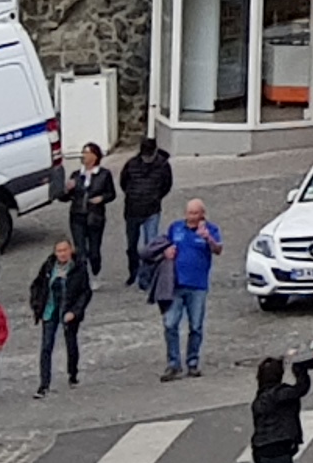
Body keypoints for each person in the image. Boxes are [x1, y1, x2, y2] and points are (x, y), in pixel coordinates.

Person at [159, 199, 221, 378]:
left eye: (195, 213)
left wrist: (208, 238)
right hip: (176, 284)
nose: (191, 217)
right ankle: (173, 363)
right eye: (189, 213)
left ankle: (192, 362)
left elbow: (218, 249)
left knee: (196, 326)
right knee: (170, 323)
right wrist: (166, 252)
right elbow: (165, 245)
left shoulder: (211, 229)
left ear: (202, 214)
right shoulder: (176, 228)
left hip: (198, 285)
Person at [26, 237, 89, 394]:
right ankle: (44, 384)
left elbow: (85, 292)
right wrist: (36, 305)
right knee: (46, 346)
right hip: (50, 309)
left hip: (68, 310)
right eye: (59, 251)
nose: (62, 254)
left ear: (71, 250)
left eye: (65, 250)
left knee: (71, 344)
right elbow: (37, 285)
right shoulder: (48, 266)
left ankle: (73, 374)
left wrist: (75, 311)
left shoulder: (79, 267)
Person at [117, 129, 174, 295]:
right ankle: (133, 272)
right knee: (132, 246)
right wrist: (132, 195)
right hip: (132, 210)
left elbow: (167, 185)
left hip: (152, 210)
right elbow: (123, 182)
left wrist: (155, 197)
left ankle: (146, 278)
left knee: (151, 246)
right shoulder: (131, 164)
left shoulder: (163, 165)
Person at [248, 351, 311, 463]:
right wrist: (300, 371)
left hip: (260, 450)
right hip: (278, 450)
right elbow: (301, 388)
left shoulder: (259, 399)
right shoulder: (279, 394)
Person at [61, 143, 111, 271]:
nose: (83, 155)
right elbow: (65, 198)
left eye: (87, 152)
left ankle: (95, 266)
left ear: (95, 156)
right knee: (80, 251)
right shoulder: (76, 175)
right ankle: (83, 276)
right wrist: (67, 189)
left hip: (95, 217)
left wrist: (102, 198)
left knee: (94, 251)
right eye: (83, 152)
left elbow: (111, 193)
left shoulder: (104, 174)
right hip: (77, 216)